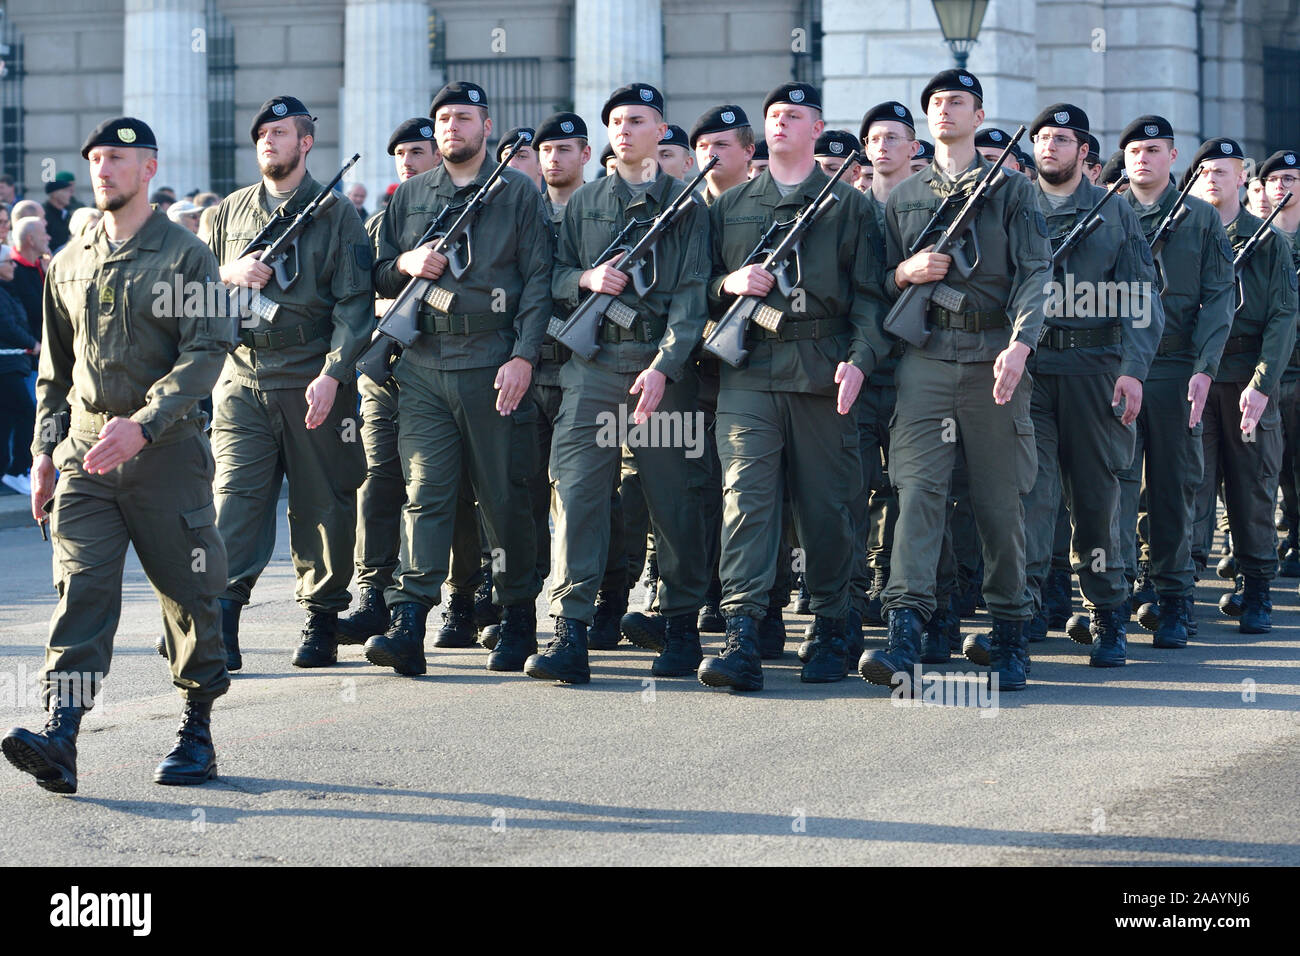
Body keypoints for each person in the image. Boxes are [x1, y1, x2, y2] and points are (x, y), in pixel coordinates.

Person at [1, 117, 232, 794]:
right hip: (85, 456)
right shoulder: (69, 261)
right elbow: (56, 368)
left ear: (149, 169)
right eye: (96, 158)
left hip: (165, 456)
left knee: (190, 595)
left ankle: (196, 731)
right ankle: (61, 735)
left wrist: (148, 422)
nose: (103, 169)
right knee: (82, 592)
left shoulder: (185, 255)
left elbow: (206, 350)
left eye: (118, 159)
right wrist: (46, 453)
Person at [860, 68, 1052, 692]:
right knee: (917, 493)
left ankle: (1009, 631)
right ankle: (905, 629)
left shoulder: (1012, 192)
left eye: (958, 102)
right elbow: (875, 284)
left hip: (995, 351)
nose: (947, 111)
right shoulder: (905, 196)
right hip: (928, 358)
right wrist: (905, 273)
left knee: (999, 501)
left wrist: (1023, 343)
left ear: (978, 114)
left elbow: (1035, 272)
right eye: (937, 103)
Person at [697, 81, 889, 692]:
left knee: (827, 507)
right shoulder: (729, 207)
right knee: (746, 502)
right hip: (748, 373)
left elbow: (871, 298)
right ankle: (743, 632)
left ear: (817, 128)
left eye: (795, 117)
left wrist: (860, 360)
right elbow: (693, 292)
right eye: (774, 116)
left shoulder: (850, 207)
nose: (781, 124)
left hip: (822, 372)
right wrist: (729, 285)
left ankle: (833, 624)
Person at [526, 81, 709, 684]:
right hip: (594, 369)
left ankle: (681, 627)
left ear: (661, 131)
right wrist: (585, 277)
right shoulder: (585, 202)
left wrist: (665, 365)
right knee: (577, 495)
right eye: (616, 122)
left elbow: (690, 299)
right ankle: (570, 632)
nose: (625, 130)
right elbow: (550, 274)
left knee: (672, 500)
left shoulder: (687, 206)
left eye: (637, 120)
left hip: (658, 372)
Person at [368, 81, 551, 676]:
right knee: (426, 494)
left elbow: (539, 280)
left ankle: (516, 614)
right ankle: (409, 621)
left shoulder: (518, 193)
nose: (452, 127)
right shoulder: (412, 193)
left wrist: (524, 356)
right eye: (443, 118)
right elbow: (377, 271)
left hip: (492, 358)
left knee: (504, 496)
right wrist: (403, 264)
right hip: (423, 363)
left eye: (464, 117)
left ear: (487, 127)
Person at [206, 95, 373, 672]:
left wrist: (334, 373)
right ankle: (221, 625)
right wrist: (229, 271)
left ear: (305, 143)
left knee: (321, 502)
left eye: (280, 133)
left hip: (310, 374)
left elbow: (355, 306)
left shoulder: (336, 214)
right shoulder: (228, 212)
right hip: (243, 375)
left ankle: (322, 618)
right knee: (235, 501)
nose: (268, 143)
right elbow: (196, 288)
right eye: (261, 135)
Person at [1020, 103, 1162, 665]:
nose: (1049, 147)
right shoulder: (1012, 204)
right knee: (1027, 495)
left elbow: (1142, 298)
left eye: (1062, 139)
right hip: (1029, 371)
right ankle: (1021, 612)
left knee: (1097, 498)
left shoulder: (1113, 211)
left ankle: (1107, 615)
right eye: (1042, 138)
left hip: (1094, 371)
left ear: (1085, 152)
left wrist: (1132, 370)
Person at [1115, 115, 1234, 656]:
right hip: (1113, 367)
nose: (1143, 157)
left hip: (1175, 367)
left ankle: (1174, 598)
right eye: (1135, 149)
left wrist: (1205, 369)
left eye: (1154, 149)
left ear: (1173, 156)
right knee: (1110, 487)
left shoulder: (1200, 218)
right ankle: (1113, 598)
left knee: (1172, 487)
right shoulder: (1106, 210)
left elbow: (1218, 299)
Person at [336, 117, 440, 647]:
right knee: (379, 481)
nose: (407, 161)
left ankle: (465, 597)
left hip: (446, 369)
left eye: (417, 151)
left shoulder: (474, 216)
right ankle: (373, 592)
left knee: (441, 488)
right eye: (400, 153)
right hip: (388, 373)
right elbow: (356, 295)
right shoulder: (380, 224)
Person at [1188, 137, 1297, 633]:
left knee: (1253, 489)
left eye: (1223, 170)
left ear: (1241, 179)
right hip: (1196, 380)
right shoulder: (1183, 235)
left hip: (1246, 378)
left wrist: (1262, 384)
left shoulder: (1268, 240)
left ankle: (1255, 591)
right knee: (1190, 486)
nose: (1213, 178)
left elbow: (1281, 318)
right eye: (1205, 170)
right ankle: (1179, 594)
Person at [0, 246, 36, 495]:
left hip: (12, 365)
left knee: (8, 419)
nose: (13, 266)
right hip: (7, 366)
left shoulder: (7, 291)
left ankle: (7, 470)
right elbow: (7, 326)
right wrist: (32, 343)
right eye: (8, 262)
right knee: (27, 412)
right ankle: (16, 469)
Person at [43, 178, 76, 253]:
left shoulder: (68, 213)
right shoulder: (44, 214)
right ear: (54, 194)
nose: (70, 195)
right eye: (66, 191)